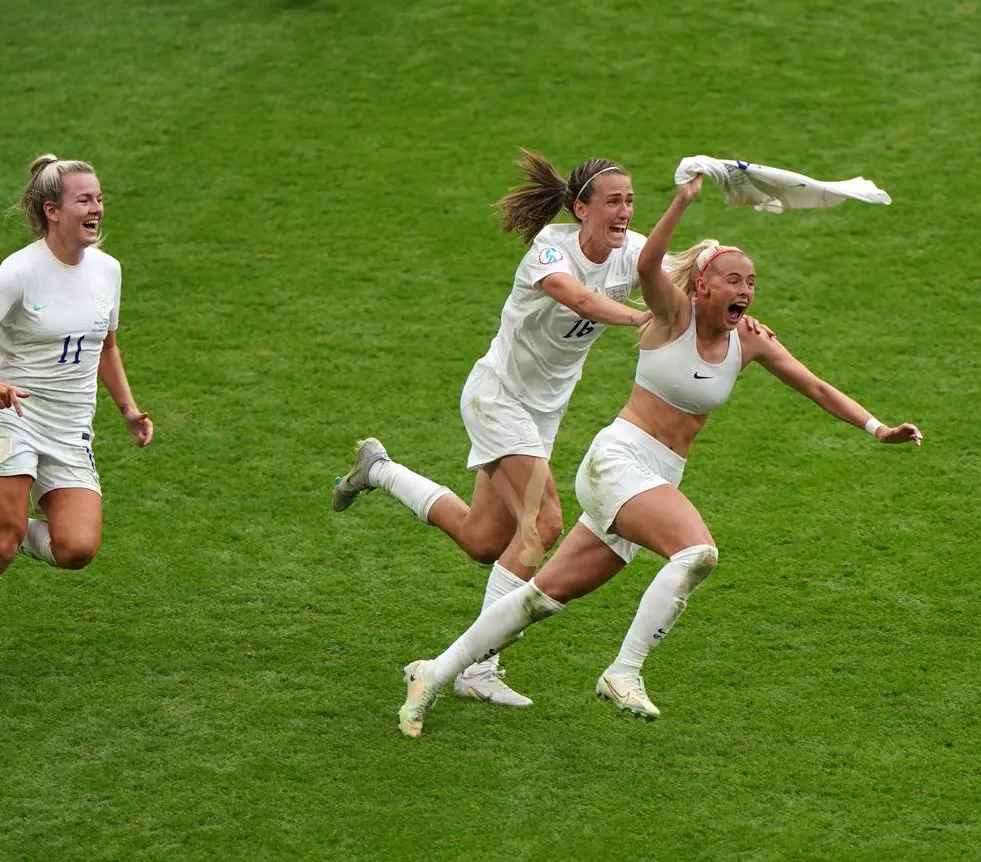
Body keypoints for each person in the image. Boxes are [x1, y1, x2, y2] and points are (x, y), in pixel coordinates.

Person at [396, 172, 923, 737]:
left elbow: (816, 387)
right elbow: (647, 269)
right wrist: (682, 200)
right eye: (731, 280)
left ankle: (435, 671)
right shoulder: (671, 314)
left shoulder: (750, 340)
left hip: (655, 472)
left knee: (542, 597)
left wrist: (877, 428)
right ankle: (623, 672)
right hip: (615, 461)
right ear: (701, 286)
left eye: (751, 282)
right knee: (695, 552)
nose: (744, 290)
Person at [0, 154, 154, 688]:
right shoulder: (20, 269)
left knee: (77, 550)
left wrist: (128, 409)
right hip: (14, 415)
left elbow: (106, 346)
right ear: (52, 210)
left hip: (71, 429)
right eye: (85, 200)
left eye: (99, 198)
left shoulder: (108, 269)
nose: (97, 208)